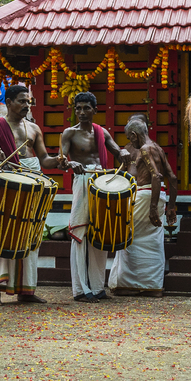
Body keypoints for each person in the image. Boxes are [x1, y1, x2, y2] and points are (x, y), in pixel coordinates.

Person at [0, 84, 61, 306]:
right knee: (1, 232)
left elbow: (44, 159)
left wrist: (59, 161)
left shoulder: (34, 128)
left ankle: (27, 290)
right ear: (9, 102)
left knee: (30, 233)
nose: (27, 105)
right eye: (22, 101)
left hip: (32, 182)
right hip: (6, 184)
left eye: (29, 101)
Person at [60, 92, 130, 303]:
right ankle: (80, 289)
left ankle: (98, 287)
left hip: (102, 182)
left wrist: (124, 153)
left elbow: (118, 152)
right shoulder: (69, 133)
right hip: (82, 181)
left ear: (95, 110)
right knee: (81, 231)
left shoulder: (102, 132)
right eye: (78, 108)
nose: (81, 112)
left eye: (86, 108)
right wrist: (70, 163)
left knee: (101, 231)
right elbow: (61, 159)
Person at [109, 117, 177, 297]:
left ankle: (125, 284)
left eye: (130, 138)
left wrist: (153, 207)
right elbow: (173, 178)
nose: (130, 142)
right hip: (159, 195)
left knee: (128, 237)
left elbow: (156, 176)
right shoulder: (159, 148)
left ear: (134, 134)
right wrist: (170, 207)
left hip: (146, 195)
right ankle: (153, 287)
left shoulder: (145, 149)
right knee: (153, 241)